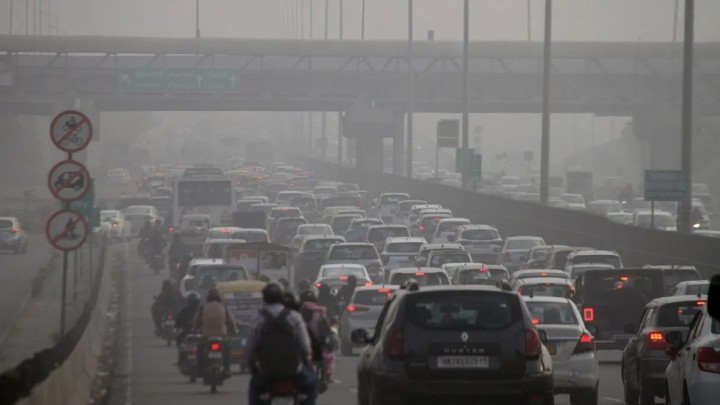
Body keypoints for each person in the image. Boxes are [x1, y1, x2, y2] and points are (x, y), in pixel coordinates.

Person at [247, 283, 317, 405]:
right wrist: (307, 360)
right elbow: (305, 346)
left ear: (264, 298)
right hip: (294, 369)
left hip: (266, 370)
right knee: (311, 383)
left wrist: (251, 366)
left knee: (254, 388)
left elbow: (250, 348)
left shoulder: (257, 319)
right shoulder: (294, 317)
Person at [193, 288, 237, 377]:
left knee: (200, 349)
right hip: (222, 335)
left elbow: (196, 321)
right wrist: (234, 330)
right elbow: (231, 321)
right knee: (227, 350)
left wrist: (195, 329)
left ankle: (200, 369)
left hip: (206, 336)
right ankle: (227, 369)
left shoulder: (203, 308)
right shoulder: (223, 307)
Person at [299, 290, 335, 383]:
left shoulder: (295, 313)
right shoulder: (319, 312)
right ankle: (327, 376)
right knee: (329, 355)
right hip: (317, 341)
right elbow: (326, 329)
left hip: (300, 342)